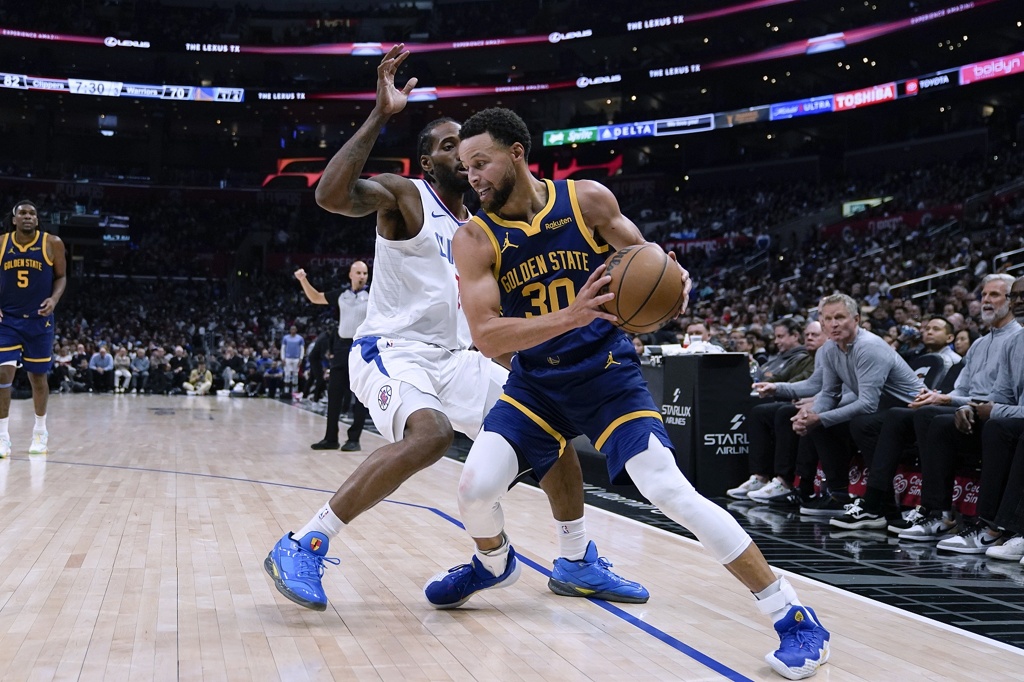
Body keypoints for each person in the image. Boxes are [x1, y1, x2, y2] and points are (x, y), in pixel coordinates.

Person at [436, 107, 829, 680]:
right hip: (536, 385)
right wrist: (570, 316)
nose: (472, 176)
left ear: (517, 153)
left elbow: (646, 264)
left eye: (481, 162)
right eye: (466, 167)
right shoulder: (474, 238)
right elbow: (486, 336)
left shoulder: (587, 201)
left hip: (606, 374)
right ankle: (494, 564)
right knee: (473, 490)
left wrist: (676, 282)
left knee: (668, 489)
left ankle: (793, 616)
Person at [264, 46, 644, 616]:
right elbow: (330, 196)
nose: (463, 158)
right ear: (426, 163)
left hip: (459, 356)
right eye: (448, 147)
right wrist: (380, 114)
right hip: (392, 351)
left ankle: (574, 559)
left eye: (467, 150)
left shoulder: (482, 230)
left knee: (549, 425)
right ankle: (304, 542)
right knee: (431, 435)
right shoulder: (406, 197)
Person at [0, 200, 66, 457]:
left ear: (37, 220)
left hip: (39, 320)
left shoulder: (52, 243)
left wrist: (54, 299)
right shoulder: (2, 243)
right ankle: (2, 436)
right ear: (14, 219)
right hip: (7, 320)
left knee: (38, 378)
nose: (28, 216)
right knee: (3, 375)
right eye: (22, 213)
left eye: (32, 213)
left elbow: (61, 276)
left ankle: (40, 431)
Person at [295, 262, 370, 452]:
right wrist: (303, 280)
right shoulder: (342, 295)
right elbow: (316, 298)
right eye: (358, 272)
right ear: (350, 275)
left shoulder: (374, 295)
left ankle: (354, 439)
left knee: (360, 396)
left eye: (365, 273)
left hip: (362, 348)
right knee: (334, 393)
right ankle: (331, 438)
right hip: (341, 346)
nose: (362, 276)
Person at [280, 325, 305, 398]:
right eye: (292, 329)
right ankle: (286, 391)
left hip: (296, 358)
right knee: (287, 375)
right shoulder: (285, 338)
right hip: (287, 358)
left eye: (294, 329)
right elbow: (283, 348)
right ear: (290, 330)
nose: (293, 331)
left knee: (295, 375)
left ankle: (294, 392)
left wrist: (301, 358)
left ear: (296, 330)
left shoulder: (300, 338)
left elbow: (302, 349)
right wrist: (283, 358)